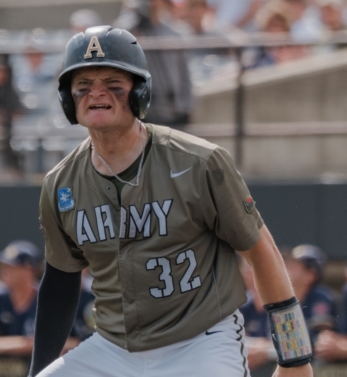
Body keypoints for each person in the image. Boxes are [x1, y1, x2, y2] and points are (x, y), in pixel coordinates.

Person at [28, 26, 315, 377]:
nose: (96, 93)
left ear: (140, 92)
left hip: (201, 340)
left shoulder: (199, 162)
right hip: (115, 347)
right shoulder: (60, 184)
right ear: (67, 99)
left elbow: (262, 252)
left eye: (112, 82)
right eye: (82, 84)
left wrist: (295, 359)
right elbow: (60, 282)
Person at [116, 0, 194, 126]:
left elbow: (185, 76)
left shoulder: (176, 33)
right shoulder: (124, 32)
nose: (150, 0)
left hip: (173, 112)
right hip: (140, 115)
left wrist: (186, 108)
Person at [0, 241, 46, 361]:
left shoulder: (46, 300)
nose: (3, 270)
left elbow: (40, 342)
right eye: (3, 265)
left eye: (10, 266)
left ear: (29, 271)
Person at [284, 245, 337, 344]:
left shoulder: (321, 298)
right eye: (289, 264)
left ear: (310, 275)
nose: (288, 268)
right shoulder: (282, 297)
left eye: (295, 266)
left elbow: (316, 339)